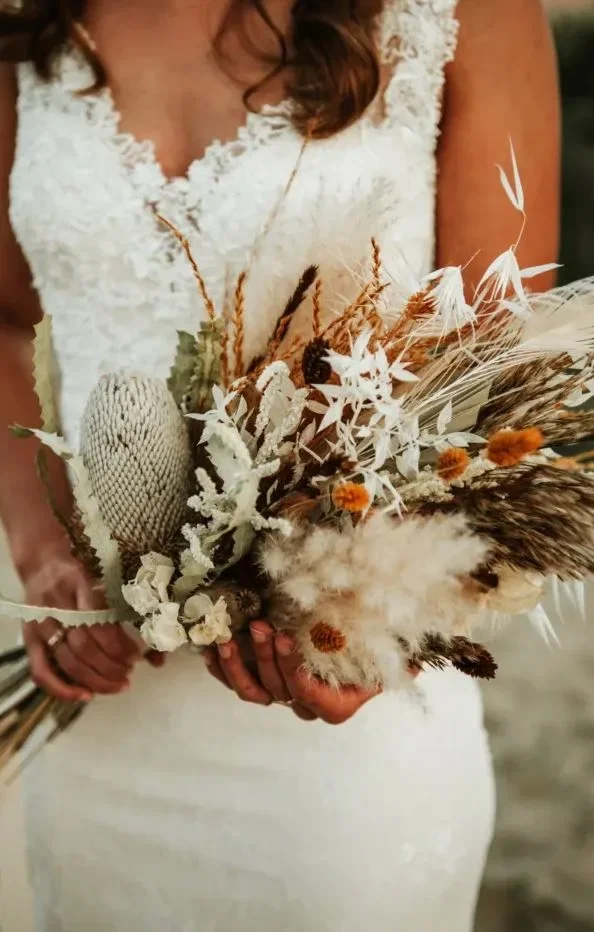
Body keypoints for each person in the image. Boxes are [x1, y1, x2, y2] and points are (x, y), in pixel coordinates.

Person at [0, 1, 559, 929]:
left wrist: (376, 627)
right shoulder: (28, 21)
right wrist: (37, 546)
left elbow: (495, 388)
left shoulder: (464, 12)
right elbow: (7, 317)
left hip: (343, 754)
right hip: (104, 727)